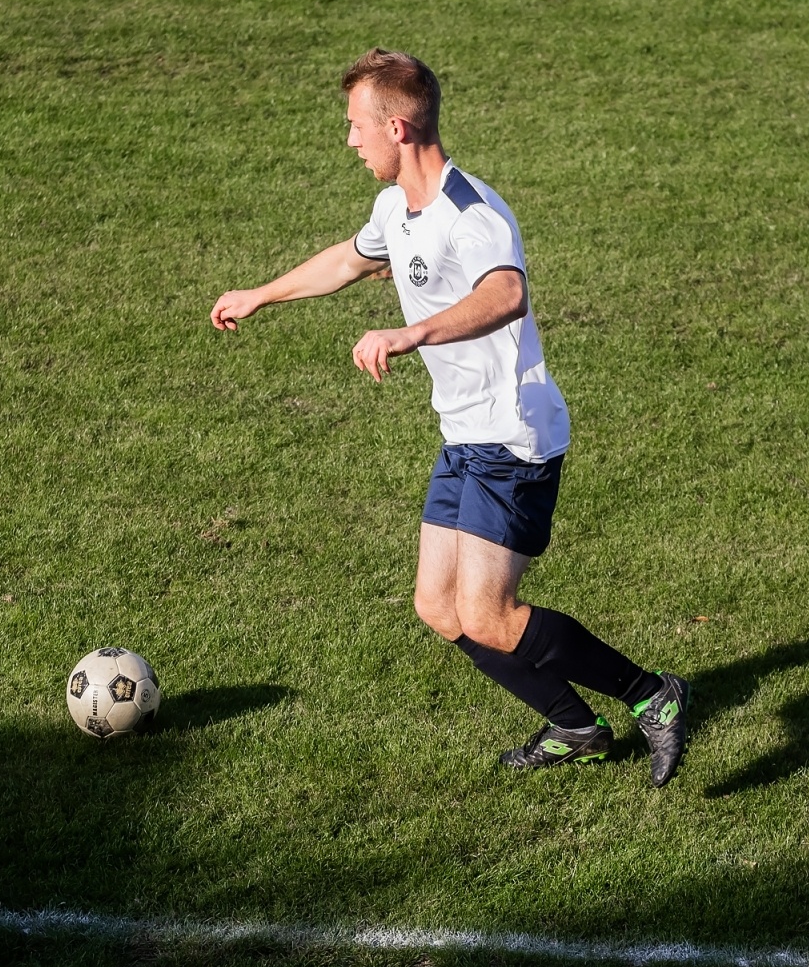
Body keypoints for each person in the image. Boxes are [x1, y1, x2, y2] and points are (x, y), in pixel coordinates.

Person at [210, 49, 691, 785]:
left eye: (354, 127)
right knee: (439, 607)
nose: (349, 140)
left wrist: (411, 332)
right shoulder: (395, 209)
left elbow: (506, 295)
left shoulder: (473, 214)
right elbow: (348, 261)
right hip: (463, 435)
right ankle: (575, 725)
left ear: (396, 128)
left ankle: (650, 695)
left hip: (512, 434)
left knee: (491, 614)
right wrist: (259, 294)